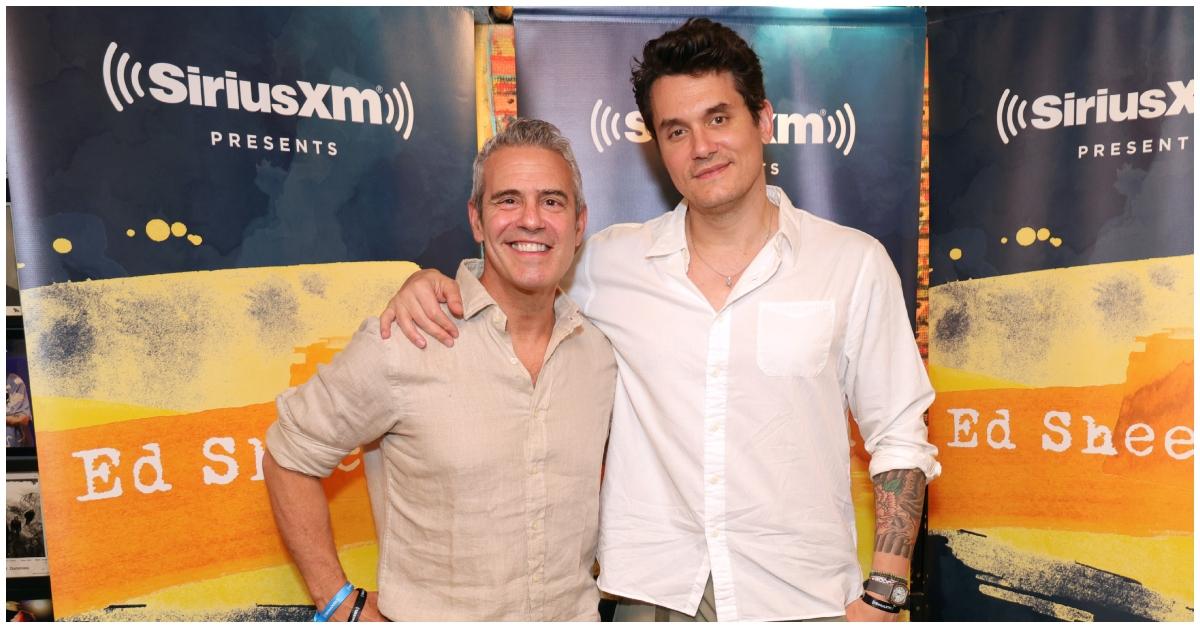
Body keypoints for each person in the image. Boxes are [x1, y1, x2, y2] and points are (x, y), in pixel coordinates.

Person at [380, 18, 939, 622]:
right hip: (654, 596)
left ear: (764, 120)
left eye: (719, 118)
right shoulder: (608, 262)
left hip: (803, 598)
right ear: (658, 145)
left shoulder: (851, 264)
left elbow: (898, 433)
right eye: (677, 130)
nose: (701, 146)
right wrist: (431, 283)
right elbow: (519, 268)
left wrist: (885, 592)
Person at [263, 119, 617, 621]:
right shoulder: (407, 340)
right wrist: (336, 600)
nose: (532, 220)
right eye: (508, 200)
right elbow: (288, 453)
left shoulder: (599, 354)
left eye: (552, 201)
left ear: (579, 225)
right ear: (476, 220)